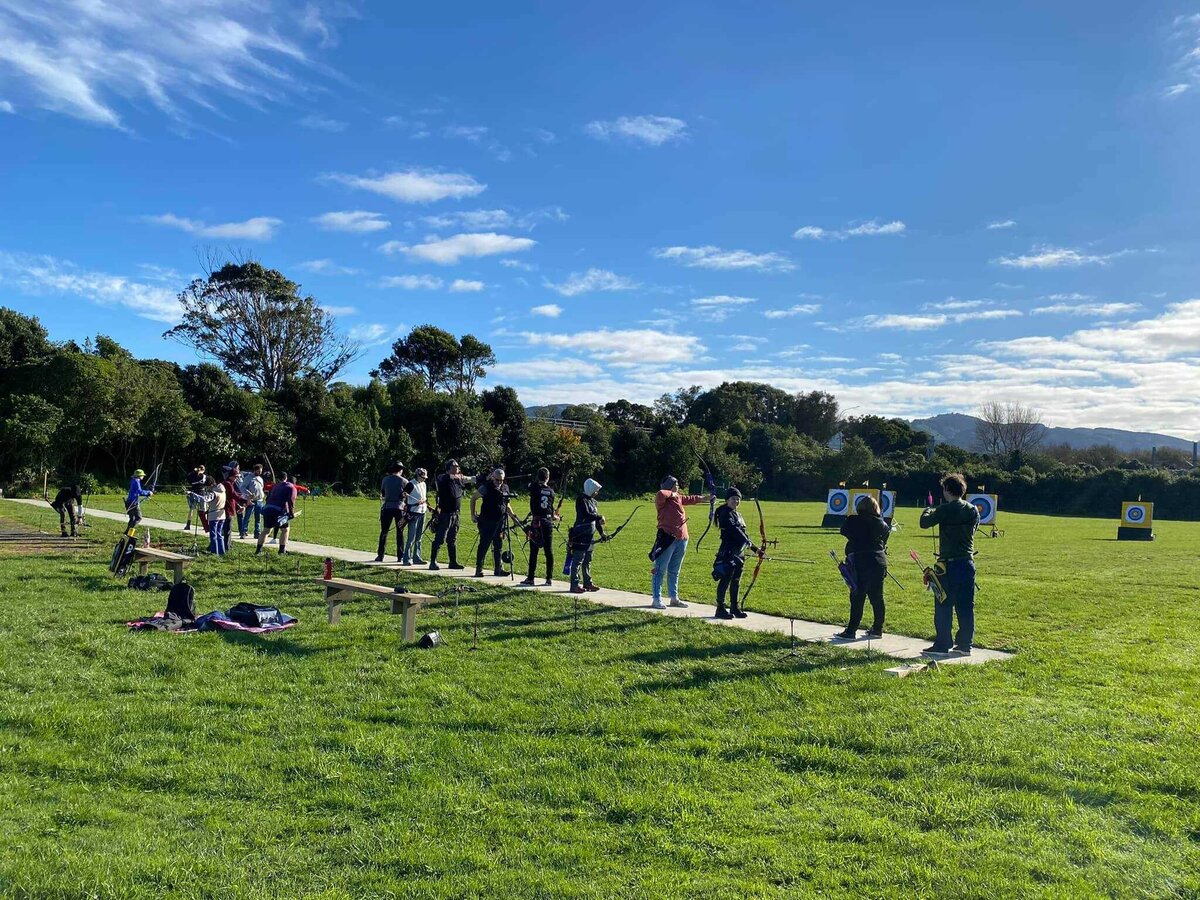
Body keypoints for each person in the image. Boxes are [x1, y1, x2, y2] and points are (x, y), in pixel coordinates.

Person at [919, 472, 980, 655]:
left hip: (948, 565)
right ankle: (964, 645)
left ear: (947, 489)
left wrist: (928, 509)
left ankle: (943, 644)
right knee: (966, 606)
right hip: (967, 563)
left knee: (943, 604)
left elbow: (924, 523)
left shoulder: (945, 509)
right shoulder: (973, 509)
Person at [649, 475, 712, 610]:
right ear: (669, 486)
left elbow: (691, 499)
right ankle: (656, 599)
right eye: (675, 484)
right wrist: (672, 492)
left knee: (674, 570)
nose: (678, 486)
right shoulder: (663, 498)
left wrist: (706, 498)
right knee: (660, 569)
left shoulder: (678, 497)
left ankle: (674, 598)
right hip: (667, 537)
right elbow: (661, 493)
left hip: (682, 538)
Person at [835, 494, 890, 639]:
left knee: (857, 596)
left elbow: (843, 531)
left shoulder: (853, 520)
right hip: (879, 561)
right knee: (877, 597)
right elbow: (885, 538)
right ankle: (877, 629)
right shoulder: (881, 523)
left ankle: (851, 631)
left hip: (860, 561)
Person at [473, 468, 521, 577]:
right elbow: (473, 498)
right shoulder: (486, 487)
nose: (499, 482)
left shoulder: (505, 488)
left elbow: (507, 504)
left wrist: (513, 517)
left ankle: (498, 569)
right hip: (487, 521)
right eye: (497, 480)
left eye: (501, 480)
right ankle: (479, 569)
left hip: (500, 521)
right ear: (492, 478)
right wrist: (473, 514)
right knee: (484, 545)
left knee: (498, 545)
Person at [712, 488, 752, 619]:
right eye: (733, 498)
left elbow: (744, 534)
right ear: (727, 500)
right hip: (728, 552)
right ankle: (720, 608)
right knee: (726, 579)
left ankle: (735, 607)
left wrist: (755, 549)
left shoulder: (738, 514)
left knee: (736, 580)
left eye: (738, 498)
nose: (736, 501)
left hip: (739, 552)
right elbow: (734, 530)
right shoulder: (725, 513)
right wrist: (746, 540)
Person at [428, 459, 472, 571]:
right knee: (440, 538)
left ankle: (453, 562)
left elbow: (470, 479)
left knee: (452, 539)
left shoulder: (458, 480)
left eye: (458, 466)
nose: (457, 467)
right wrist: (457, 476)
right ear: (449, 468)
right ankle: (433, 562)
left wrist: (482, 477)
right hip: (445, 514)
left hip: (456, 514)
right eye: (455, 466)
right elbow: (443, 478)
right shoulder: (442, 478)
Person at [519, 467, 558, 586]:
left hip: (536, 522)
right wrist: (555, 517)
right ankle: (549, 578)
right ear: (548, 477)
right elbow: (551, 510)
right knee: (548, 551)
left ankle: (531, 578)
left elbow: (527, 486)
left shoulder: (534, 487)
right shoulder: (551, 492)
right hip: (547, 522)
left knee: (534, 551)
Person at [567, 478, 606, 594]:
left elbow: (595, 520)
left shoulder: (593, 502)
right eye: (595, 490)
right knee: (578, 560)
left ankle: (587, 582)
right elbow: (587, 515)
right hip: (581, 535)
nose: (596, 493)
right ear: (590, 489)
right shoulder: (581, 499)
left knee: (587, 560)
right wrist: (599, 517)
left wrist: (602, 533)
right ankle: (574, 585)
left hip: (590, 535)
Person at [375, 461, 410, 563]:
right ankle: (400, 555)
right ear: (400, 470)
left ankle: (380, 555)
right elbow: (406, 495)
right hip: (400, 508)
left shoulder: (385, 479)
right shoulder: (404, 481)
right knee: (400, 532)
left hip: (387, 507)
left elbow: (383, 493)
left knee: (384, 532)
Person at [258, 472, 298, 555]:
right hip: (278, 510)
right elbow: (291, 501)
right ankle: (281, 550)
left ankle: (258, 550)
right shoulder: (291, 487)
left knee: (266, 530)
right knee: (285, 529)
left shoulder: (275, 486)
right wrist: (291, 513)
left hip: (267, 509)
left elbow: (268, 498)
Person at [188, 476, 227, 556]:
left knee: (213, 535)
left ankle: (214, 552)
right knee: (219, 534)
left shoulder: (213, 493)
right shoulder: (222, 490)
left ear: (211, 485)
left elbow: (204, 499)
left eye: (207, 486)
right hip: (222, 514)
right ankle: (221, 552)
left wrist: (193, 494)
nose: (207, 488)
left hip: (214, 515)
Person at [402, 468, 429, 565]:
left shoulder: (424, 484)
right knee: (411, 537)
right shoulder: (411, 484)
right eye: (422, 477)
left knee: (419, 537)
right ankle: (406, 558)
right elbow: (404, 494)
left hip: (422, 512)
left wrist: (428, 506)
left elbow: (425, 497)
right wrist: (405, 494)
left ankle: (417, 557)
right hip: (413, 512)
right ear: (418, 475)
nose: (424, 479)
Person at [220, 463, 245, 550]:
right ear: (230, 476)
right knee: (227, 530)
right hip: (227, 510)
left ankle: (228, 545)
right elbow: (234, 496)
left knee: (227, 529)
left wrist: (238, 506)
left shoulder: (229, 483)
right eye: (235, 477)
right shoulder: (228, 484)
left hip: (230, 509)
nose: (236, 478)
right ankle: (226, 548)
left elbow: (233, 498)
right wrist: (245, 501)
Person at [238, 464, 266, 540]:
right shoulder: (248, 478)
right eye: (258, 471)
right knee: (247, 517)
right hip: (251, 501)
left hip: (259, 501)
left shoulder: (260, 478)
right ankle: (243, 532)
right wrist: (248, 493)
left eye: (261, 471)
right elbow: (242, 487)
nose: (260, 472)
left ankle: (257, 533)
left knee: (258, 518)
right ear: (255, 470)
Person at [125, 468, 153, 532]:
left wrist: (145, 492)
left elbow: (137, 491)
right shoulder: (136, 481)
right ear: (139, 476)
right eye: (142, 475)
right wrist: (148, 492)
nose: (143, 476)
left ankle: (126, 532)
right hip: (133, 503)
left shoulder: (133, 480)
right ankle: (130, 533)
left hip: (129, 502)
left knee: (132, 518)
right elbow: (139, 492)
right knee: (138, 518)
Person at [184, 464, 207, 531]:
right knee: (203, 510)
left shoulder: (193, 476)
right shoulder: (203, 476)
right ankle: (204, 525)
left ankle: (188, 525)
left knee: (192, 509)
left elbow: (188, 477)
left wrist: (194, 472)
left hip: (194, 493)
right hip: (202, 494)